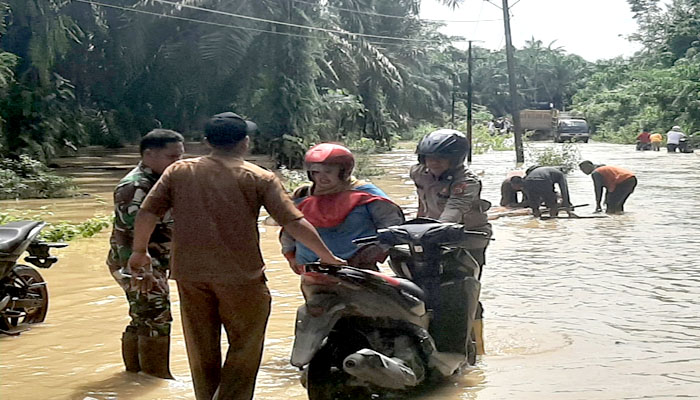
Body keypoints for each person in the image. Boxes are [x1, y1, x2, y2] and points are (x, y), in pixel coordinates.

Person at [127, 112, 343, 400]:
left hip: (190, 275)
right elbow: (293, 222)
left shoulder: (179, 172)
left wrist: (139, 252)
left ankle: (208, 397)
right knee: (246, 343)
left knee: (201, 346)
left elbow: (148, 211)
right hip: (241, 276)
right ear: (245, 142)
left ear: (206, 142)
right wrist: (327, 257)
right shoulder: (259, 177)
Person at [106, 129, 184, 379]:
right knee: (156, 317)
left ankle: (135, 377)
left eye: (181, 157)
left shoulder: (161, 181)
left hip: (151, 260)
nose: (178, 163)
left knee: (143, 317)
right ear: (149, 155)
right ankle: (155, 379)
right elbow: (133, 229)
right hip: (138, 263)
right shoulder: (135, 186)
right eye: (172, 157)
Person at [410, 129, 492, 356]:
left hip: (469, 239)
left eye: (441, 158)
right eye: (429, 157)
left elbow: (453, 213)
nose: (433, 162)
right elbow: (422, 203)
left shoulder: (467, 182)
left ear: (455, 159)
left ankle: (478, 347)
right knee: (424, 291)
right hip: (429, 238)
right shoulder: (418, 173)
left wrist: (431, 231)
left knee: (466, 293)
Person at [280, 143, 404, 271]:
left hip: (359, 268)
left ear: (344, 172)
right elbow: (291, 227)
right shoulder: (302, 195)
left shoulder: (368, 194)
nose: (321, 177)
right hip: (312, 270)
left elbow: (393, 228)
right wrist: (290, 255)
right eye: (316, 172)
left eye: (328, 172)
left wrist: (377, 250)